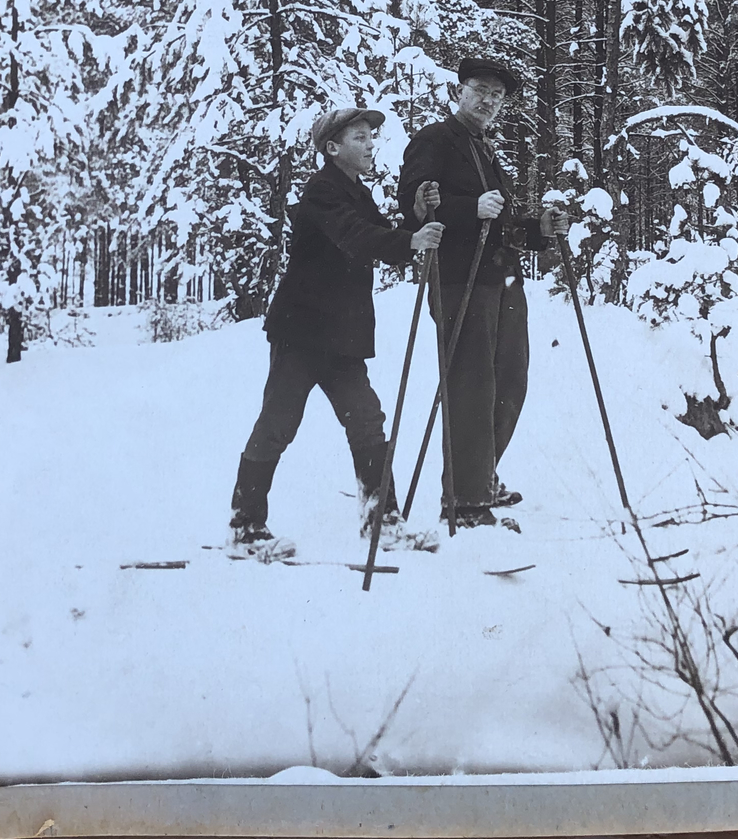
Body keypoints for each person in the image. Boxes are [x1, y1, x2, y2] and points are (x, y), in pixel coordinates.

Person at [227, 107, 444, 561]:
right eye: (360, 137)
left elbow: (381, 237)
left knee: (366, 419)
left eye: (371, 137)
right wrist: (408, 240)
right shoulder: (322, 190)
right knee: (279, 423)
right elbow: (355, 236)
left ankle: (381, 520)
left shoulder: (354, 192)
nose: (370, 145)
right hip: (303, 332)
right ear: (332, 148)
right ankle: (246, 526)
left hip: (340, 336)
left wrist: (415, 221)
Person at [398, 58, 567, 531]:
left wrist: (539, 229)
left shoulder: (486, 150)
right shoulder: (433, 141)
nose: (489, 100)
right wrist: (468, 207)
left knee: (511, 380)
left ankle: (481, 474)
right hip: (458, 279)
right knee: (472, 385)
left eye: (497, 95)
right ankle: (466, 502)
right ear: (458, 92)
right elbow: (413, 206)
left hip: (500, 279)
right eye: (480, 90)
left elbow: (501, 226)